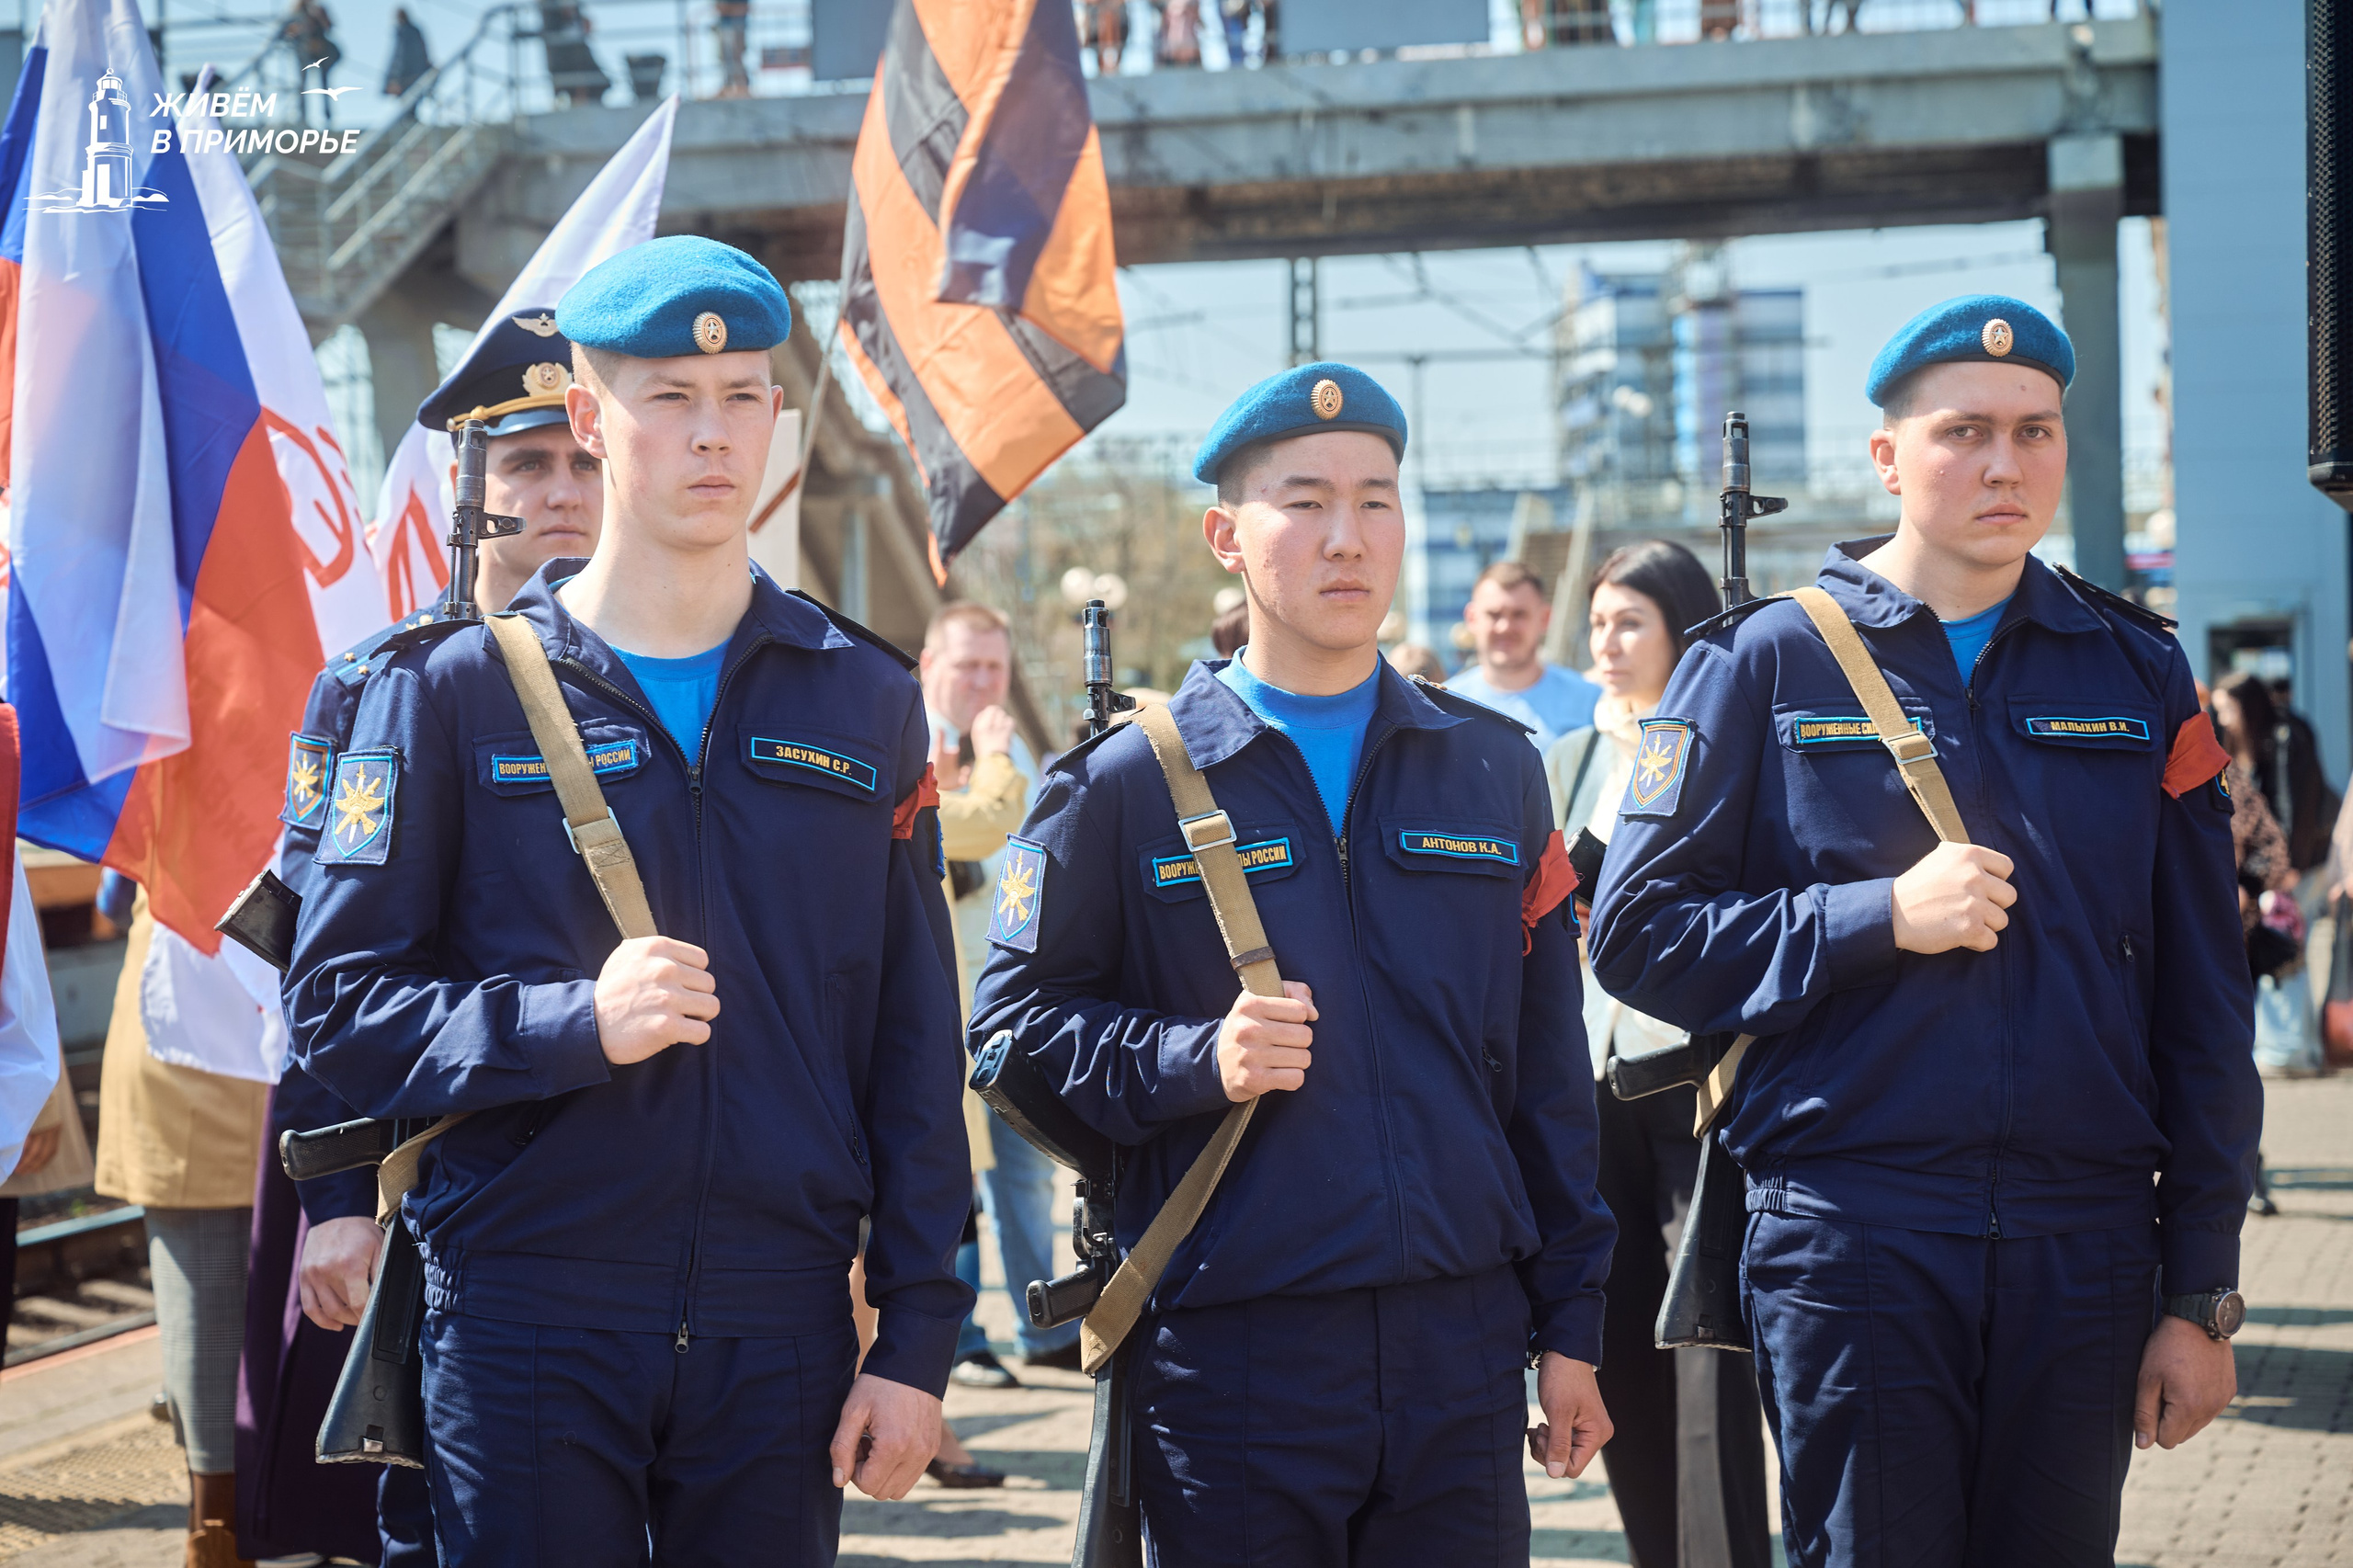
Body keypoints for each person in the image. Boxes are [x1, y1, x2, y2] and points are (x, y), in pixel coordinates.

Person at [284, 236, 972, 1566]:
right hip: (529, 1309)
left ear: (776, 416)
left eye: (742, 398)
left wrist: (922, 1332)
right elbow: (339, 1007)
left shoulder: (864, 699)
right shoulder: (448, 694)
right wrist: (566, 1023)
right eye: (671, 398)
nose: (713, 437)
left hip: (782, 1324)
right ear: (595, 422)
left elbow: (909, 1037)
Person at [1589, 295, 2260, 1568]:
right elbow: (1637, 933)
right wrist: (1877, 917)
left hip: (2086, 1241)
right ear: (1889, 458)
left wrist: (2202, 1290)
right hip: (1853, 1236)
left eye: (2035, 430)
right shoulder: (1761, 664)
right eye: (1965, 431)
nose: (2006, 463)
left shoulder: (2136, 672)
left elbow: (2204, 997)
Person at [970, 361, 1616, 1565]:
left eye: (1377, 500)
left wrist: (1573, 1321)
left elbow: (1546, 1073)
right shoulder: (1122, 785)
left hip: (1460, 1352)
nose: (1346, 536)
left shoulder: (1493, 766)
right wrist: (1188, 1057)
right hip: (1234, 1358)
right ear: (1227, 534)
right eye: (1304, 501)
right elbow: (1009, 1034)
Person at [240, 310, 608, 1568]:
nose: (562, 493)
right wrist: (340, 1195)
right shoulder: (383, 683)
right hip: (443, 1180)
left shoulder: (685, 670)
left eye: (585, 462)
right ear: (468, 489)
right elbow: (323, 969)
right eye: (527, 466)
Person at [1546, 540, 1770, 1568]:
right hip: (1590, 1086)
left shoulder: (1728, 747)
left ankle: (1723, 1555)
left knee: (1701, 1347)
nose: (1605, 640)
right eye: (1595, 621)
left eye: (1628, 620)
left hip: (1693, 1085)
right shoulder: (1568, 758)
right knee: (1618, 1337)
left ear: (1682, 628)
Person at [915, 601, 1084, 1388]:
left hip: (1009, 993)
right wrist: (994, 764)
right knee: (943, 1170)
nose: (985, 682)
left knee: (1024, 1164)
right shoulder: (914, 738)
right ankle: (957, 1340)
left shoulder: (1007, 745)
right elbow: (979, 827)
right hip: (927, 997)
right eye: (968, 666)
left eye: (995, 667)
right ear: (928, 666)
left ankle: (1040, 1324)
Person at [1447, 560, 1600, 754]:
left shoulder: (1591, 702)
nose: (1505, 627)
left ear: (1544, 618)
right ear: (1472, 618)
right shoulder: (1445, 706)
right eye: (1494, 615)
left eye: (1519, 614)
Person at [384, 7, 430, 97]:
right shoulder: (414, 31)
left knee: (410, 104)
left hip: (407, 79)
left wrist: (394, 80)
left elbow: (399, 58)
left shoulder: (405, 33)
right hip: (417, 76)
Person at [713, 0, 751, 98]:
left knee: (736, 56)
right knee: (725, 57)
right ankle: (728, 86)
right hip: (724, 25)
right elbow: (719, 7)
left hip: (737, 24)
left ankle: (742, 86)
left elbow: (743, 8)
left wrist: (729, 9)